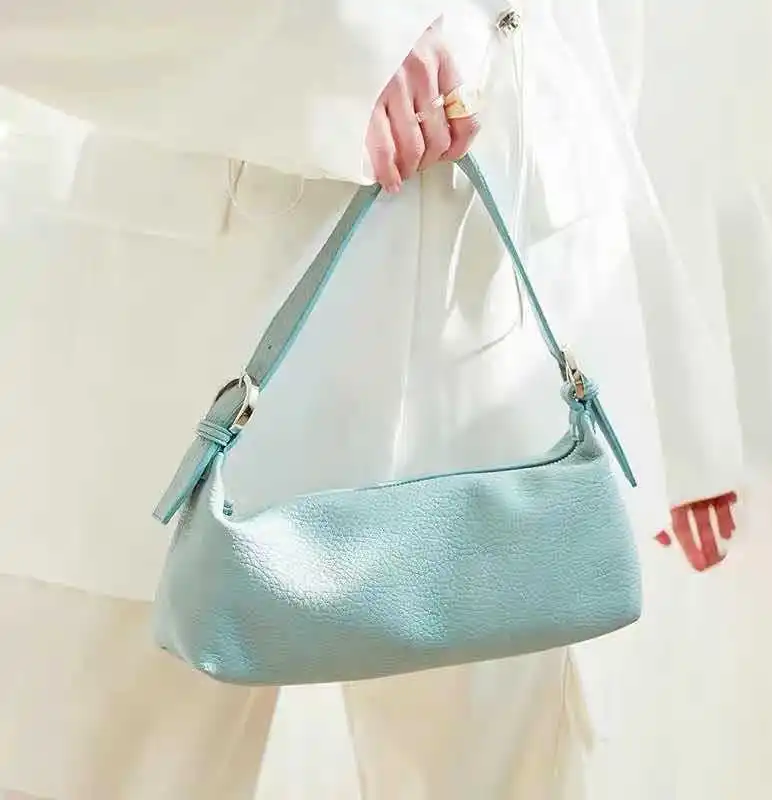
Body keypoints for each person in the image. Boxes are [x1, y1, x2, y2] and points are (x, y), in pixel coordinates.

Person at [0, 2, 681, 798]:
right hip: (175, 347)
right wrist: (343, 41)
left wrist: (668, 394)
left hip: (503, 361)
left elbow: (593, 50)